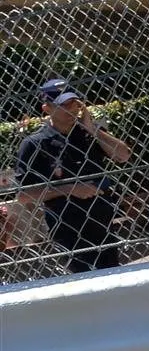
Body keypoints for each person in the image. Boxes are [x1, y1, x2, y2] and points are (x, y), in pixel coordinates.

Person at [14, 77, 132, 274]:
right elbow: (25, 195)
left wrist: (92, 128)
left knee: (112, 274)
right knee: (82, 278)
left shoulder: (87, 132)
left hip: (102, 221)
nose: (72, 110)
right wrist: (70, 189)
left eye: (74, 104)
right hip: (67, 228)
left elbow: (123, 155)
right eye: (64, 105)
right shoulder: (35, 144)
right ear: (47, 109)